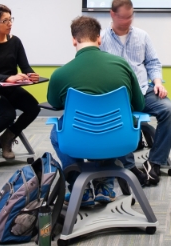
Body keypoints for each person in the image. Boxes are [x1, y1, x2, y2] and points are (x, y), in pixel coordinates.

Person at [47, 16, 145, 208]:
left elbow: (54, 102)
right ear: (99, 39)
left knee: (56, 130)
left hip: (78, 139)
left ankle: (77, 184)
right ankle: (106, 184)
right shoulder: (122, 65)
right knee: (111, 125)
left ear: (74, 40)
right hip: (120, 139)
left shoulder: (60, 74)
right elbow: (139, 104)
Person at [100, 0, 171, 186]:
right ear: (112, 14)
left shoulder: (142, 36)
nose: (128, 21)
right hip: (117, 97)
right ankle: (129, 167)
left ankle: (155, 162)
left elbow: (153, 63)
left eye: (131, 17)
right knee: (119, 120)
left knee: (170, 111)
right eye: (124, 17)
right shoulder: (100, 39)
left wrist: (158, 82)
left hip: (144, 91)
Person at [0, 4, 41, 162]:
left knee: (33, 108)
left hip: (10, 89)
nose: (10, 23)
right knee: (9, 113)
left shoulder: (15, 41)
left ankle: (7, 138)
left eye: (10, 19)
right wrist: (7, 78)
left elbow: (24, 66)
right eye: (5, 21)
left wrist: (30, 75)